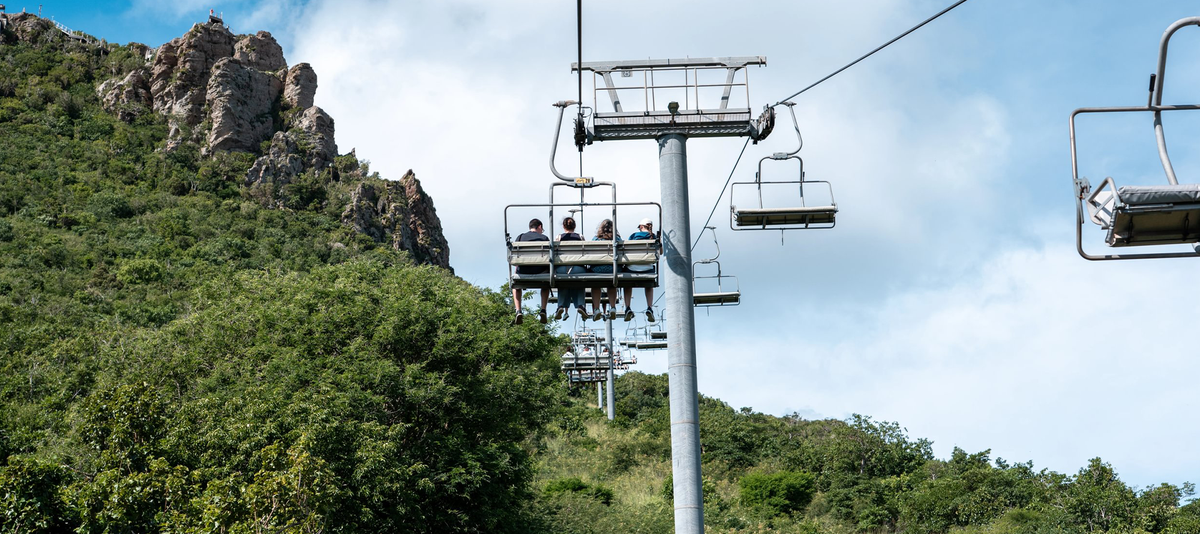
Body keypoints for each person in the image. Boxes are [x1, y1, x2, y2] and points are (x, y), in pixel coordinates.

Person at [512, 218, 550, 324]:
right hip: (540, 271)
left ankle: (518, 310)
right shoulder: (544, 238)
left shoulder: (520, 237)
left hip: (523, 270)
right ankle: (543, 309)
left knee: (516, 286)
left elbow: (515, 258)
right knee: (546, 284)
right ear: (540, 227)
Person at [622, 218, 658, 322]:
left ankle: (628, 307)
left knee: (627, 283)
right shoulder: (654, 237)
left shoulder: (634, 236)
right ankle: (650, 307)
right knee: (649, 284)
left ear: (641, 227)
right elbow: (659, 252)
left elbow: (625, 249)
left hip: (632, 268)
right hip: (648, 269)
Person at [554, 217, 588, 320]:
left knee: (563, 282)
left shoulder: (559, 237)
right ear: (575, 226)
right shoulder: (580, 237)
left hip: (562, 269)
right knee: (580, 282)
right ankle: (581, 305)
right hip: (578, 268)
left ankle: (560, 306)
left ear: (564, 226)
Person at [588, 219, 620, 321]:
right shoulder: (617, 239)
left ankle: (596, 309)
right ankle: (613, 307)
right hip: (613, 269)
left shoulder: (595, 239)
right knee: (612, 283)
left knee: (595, 284)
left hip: (597, 269)